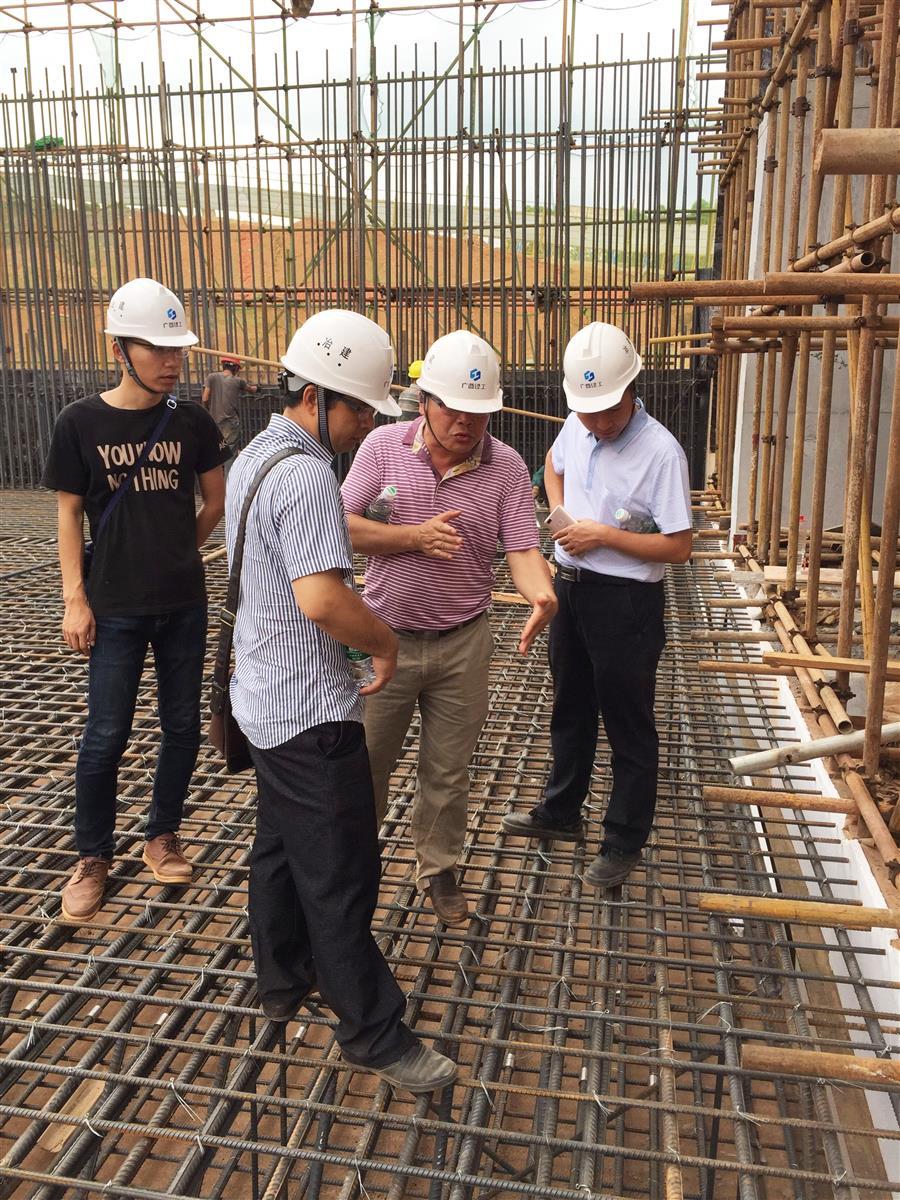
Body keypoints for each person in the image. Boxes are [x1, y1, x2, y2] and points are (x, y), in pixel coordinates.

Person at [226, 309, 457, 1094]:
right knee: (340, 874)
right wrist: (385, 643)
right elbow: (323, 600)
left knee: (279, 850)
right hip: (308, 714)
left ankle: (283, 977)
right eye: (359, 407)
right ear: (317, 396)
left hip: (262, 698)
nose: (365, 424)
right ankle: (372, 1032)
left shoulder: (255, 455)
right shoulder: (305, 476)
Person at [341, 330, 556, 926]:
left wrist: (541, 592)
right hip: (382, 639)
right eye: (453, 408)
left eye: (478, 412)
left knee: (448, 768)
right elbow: (339, 524)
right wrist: (412, 537)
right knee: (366, 761)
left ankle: (438, 867)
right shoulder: (382, 447)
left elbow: (522, 547)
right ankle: (353, 862)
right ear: (426, 400)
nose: (465, 423)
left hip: (463, 640)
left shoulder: (506, 466)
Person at [42, 277, 229, 924]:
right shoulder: (79, 423)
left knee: (182, 726)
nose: (172, 360)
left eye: (177, 348)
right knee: (105, 734)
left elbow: (215, 501)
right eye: (157, 348)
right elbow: (69, 514)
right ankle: (92, 857)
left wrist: (175, 549)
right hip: (114, 606)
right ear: (120, 349)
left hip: (183, 602)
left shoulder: (192, 421)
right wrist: (75, 598)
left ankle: (162, 835)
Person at [502, 322, 692, 888]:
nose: (600, 421)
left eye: (610, 409)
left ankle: (623, 839)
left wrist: (603, 535)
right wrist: (562, 514)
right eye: (589, 411)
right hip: (572, 588)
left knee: (628, 723)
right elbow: (553, 466)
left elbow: (678, 546)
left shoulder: (661, 453)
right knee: (571, 707)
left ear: (634, 388)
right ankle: (562, 810)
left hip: (626, 602)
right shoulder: (576, 424)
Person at [202, 356, 257, 458]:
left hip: (215, 421)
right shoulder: (238, 381)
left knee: (216, 448)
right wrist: (257, 388)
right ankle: (229, 468)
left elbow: (205, 398)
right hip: (230, 423)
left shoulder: (211, 377)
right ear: (236, 368)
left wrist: (208, 411)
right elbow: (251, 389)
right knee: (229, 451)